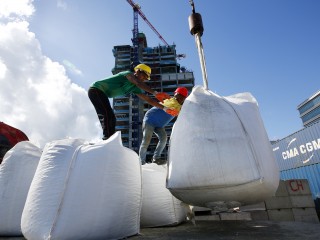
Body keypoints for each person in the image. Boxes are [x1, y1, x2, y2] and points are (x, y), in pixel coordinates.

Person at [88, 64, 176, 140]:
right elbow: (138, 82)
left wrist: (165, 108)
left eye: (145, 78)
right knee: (107, 114)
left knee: (111, 117)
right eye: (144, 76)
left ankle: (109, 138)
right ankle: (107, 138)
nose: (144, 79)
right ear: (137, 71)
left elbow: (148, 99)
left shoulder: (134, 88)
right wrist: (155, 93)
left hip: (100, 93)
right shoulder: (128, 74)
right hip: (96, 89)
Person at [139, 87, 188, 165]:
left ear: (183, 98)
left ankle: (156, 158)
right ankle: (141, 162)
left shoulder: (180, 107)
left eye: (180, 96)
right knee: (146, 141)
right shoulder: (171, 101)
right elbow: (172, 106)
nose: (177, 97)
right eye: (177, 95)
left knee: (163, 139)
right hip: (150, 120)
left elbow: (183, 111)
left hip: (159, 125)